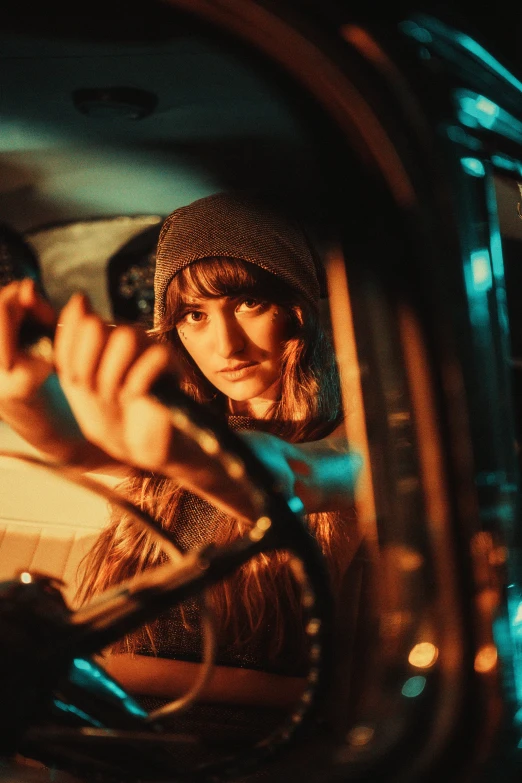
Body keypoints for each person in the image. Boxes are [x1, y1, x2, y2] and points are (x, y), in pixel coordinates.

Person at [0, 193, 362, 745]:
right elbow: (82, 446)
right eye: (195, 314)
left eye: (247, 302)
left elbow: (297, 475)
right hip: (109, 746)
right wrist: (22, 396)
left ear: (298, 307)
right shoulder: (175, 432)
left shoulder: (353, 447)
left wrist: (107, 672)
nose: (225, 344)